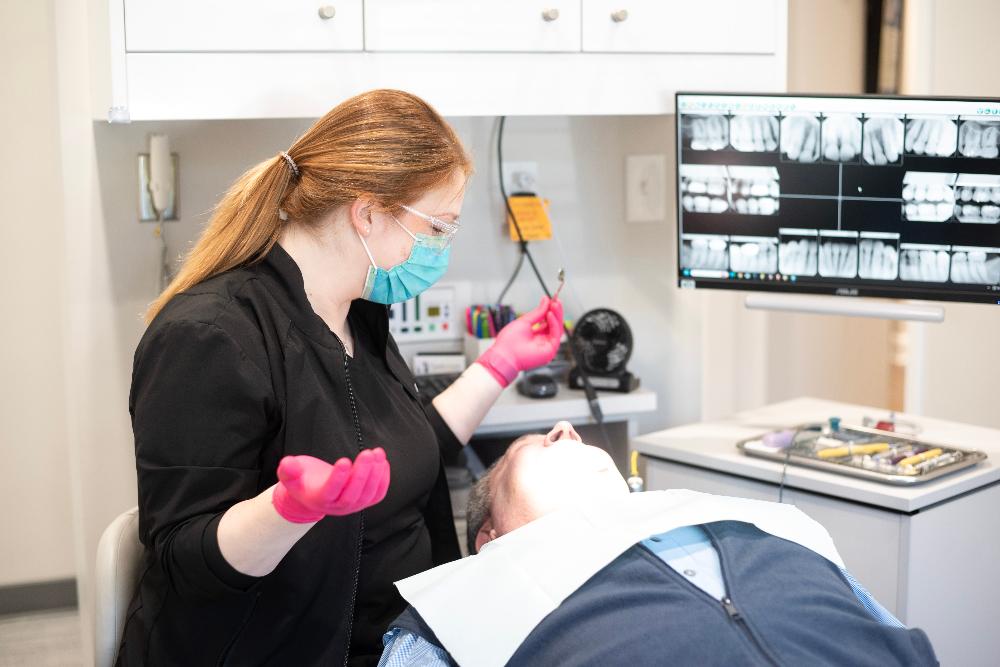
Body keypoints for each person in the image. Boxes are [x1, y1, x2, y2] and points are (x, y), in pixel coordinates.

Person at [121, 89, 564, 666]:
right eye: (438, 227)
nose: (441, 248)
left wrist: (500, 362)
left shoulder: (359, 314)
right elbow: (186, 561)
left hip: (408, 637)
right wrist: (288, 510)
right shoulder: (211, 335)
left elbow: (399, 454)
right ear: (368, 213)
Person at [379, 423, 938, 667]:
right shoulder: (465, 599)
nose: (567, 429)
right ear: (491, 538)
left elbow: (890, 632)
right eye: (532, 444)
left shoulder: (756, 519)